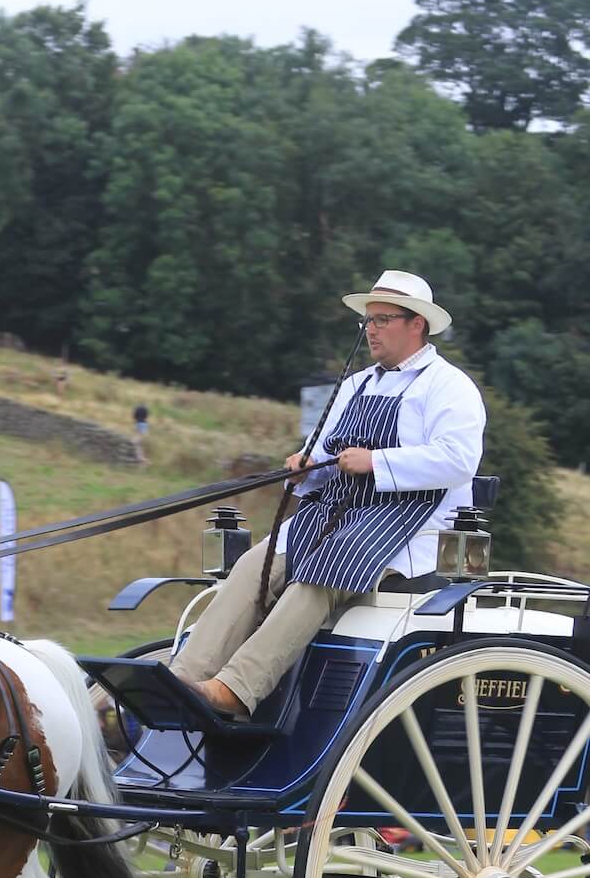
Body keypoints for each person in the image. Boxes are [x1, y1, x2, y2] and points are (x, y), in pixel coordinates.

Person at [172, 270, 486, 718]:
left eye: (382, 320)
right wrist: (303, 469)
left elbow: (458, 460)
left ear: (417, 324)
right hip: (334, 515)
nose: (370, 330)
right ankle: (183, 677)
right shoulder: (356, 386)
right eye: (367, 321)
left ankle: (237, 688)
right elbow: (323, 456)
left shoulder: (449, 386)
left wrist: (376, 461)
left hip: (405, 525)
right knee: (253, 565)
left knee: (323, 572)